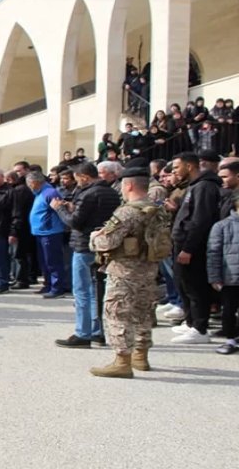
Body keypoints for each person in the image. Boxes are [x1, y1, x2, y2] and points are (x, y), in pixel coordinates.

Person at [88, 168, 163, 378]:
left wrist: (95, 237)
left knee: (118, 312)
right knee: (144, 312)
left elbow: (107, 241)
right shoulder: (157, 209)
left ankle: (122, 361)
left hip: (124, 271)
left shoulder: (127, 211)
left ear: (128, 185)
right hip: (149, 269)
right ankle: (141, 356)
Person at [52, 163, 120, 348]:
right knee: (98, 291)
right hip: (104, 245)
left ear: (84, 177)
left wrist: (60, 209)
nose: (76, 182)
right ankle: (98, 331)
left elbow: (76, 222)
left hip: (84, 245)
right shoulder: (112, 193)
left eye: (77, 178)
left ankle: (83, 332)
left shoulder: (88, 193)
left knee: (82, 290)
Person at [169, 151, 222, 344]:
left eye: (177, 167)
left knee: (195, 286)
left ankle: (200, 327)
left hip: (194, 245)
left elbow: (200, 220)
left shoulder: (205, 187)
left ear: (189, 166)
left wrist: (189, 248)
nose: (175, 171)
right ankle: (191, 321)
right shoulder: (194, 186)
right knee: (183, 283)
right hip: (181, 241)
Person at [25, 171, 67, 298]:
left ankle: (57, 288)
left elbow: (60, 210)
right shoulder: (39, 193)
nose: (29, 186)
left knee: (53, 261)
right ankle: (48, 284)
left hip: (50, 232)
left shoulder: (50, 193)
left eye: (29, 184)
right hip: (41, 233)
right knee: (44, 261)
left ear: (35, 182)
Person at [208, 194, 239, 355]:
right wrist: (214, 276)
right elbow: (213, 254)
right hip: (231, 277)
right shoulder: (222, 226)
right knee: (229, 310)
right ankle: (230, 339)